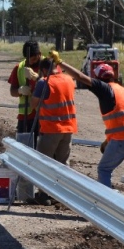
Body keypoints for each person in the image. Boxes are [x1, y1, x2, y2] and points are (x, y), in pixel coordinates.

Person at [60, 60, 124, 206]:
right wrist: (108, 140)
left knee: (104, 169)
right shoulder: (123, 90)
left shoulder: (104, 88)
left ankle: (106, 207)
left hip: (123, 138)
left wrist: (60, 63)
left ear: (98, 79)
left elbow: (80, 76)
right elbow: (123, 117)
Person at [28, 51, 77, 204]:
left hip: (50, 129)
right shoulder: (69, 79)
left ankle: (43, 194)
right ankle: (63, 194)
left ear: (43, 70)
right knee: (63, 162)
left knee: (44, 162)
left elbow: (33, 104)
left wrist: (33, 89)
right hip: (68, 128)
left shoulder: (44, 82)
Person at [7, 40, 42, 135]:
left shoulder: (48, 65)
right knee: (24, 146)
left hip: (44, 116)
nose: (31, 62)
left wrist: (38, 78)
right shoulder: (19, 68)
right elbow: (12, 91)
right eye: (28, 59)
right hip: (26, 116)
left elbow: (55, 84)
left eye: (34, 59)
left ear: (39, 54)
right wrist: (20, 90)